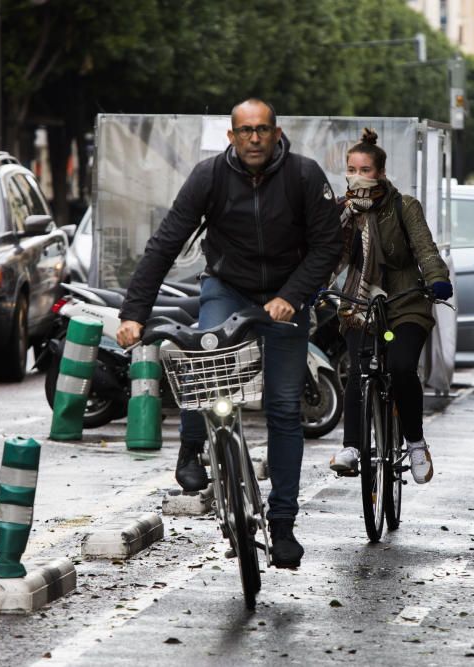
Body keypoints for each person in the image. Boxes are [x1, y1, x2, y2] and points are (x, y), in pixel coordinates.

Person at [116, 98, 341, 568]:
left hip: (284, 296)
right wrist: (133, 313)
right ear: (231, 137)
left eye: (263, 130)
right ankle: (193, 447)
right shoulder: (209, 176)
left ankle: (282, 525)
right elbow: (165, 243)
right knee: (203, 363)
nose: (254, 138)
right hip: (227, 285)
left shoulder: (304, 175)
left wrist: (292, 296)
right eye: (245, 131)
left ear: (277, 133)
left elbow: (327, 246)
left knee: (282, 407)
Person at [327, 129, 452, 484]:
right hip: (360, 301)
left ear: (380, 173)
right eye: (351, 168)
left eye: (365, 169)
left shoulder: (403, 206)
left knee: (400, 366)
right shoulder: (343, 212)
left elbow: (425, 248)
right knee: (358, 369)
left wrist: (436, 278)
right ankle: (352, 447)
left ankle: (414, 442)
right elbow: (325, 256)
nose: (357, 175)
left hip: (405, 299)